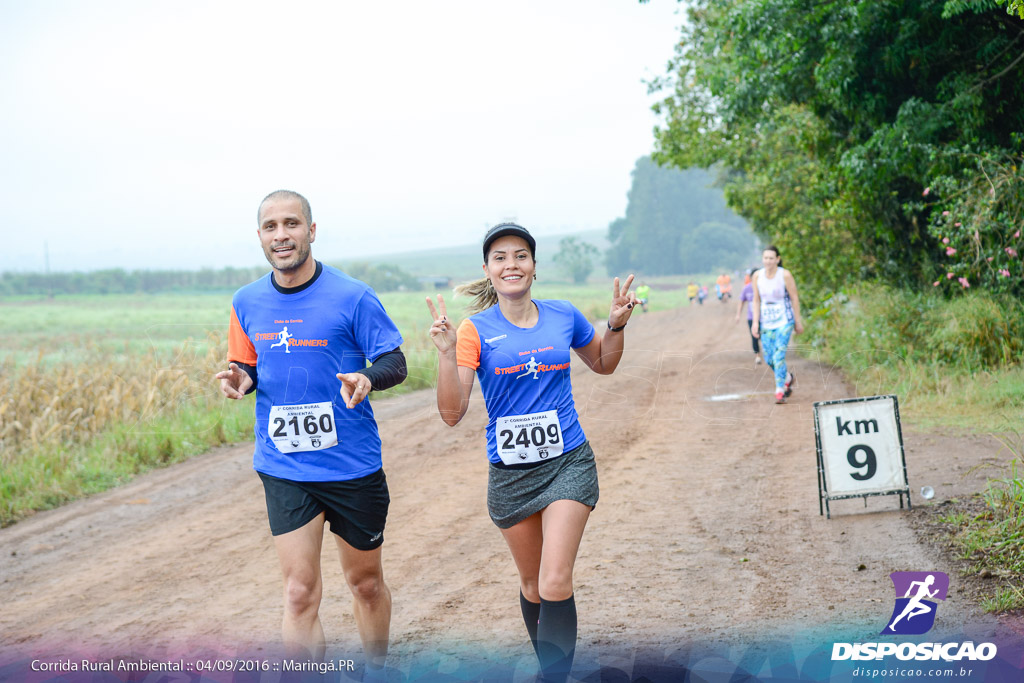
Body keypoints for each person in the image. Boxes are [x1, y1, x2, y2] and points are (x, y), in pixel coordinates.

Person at [424, 222, 637, 683]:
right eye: (500, 257)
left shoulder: (563, 315)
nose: (511, 264)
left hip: (568, 463)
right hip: (510, 474)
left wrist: (615, 325)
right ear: (488, 269)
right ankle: (550, 669)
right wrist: (444, 355)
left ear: (534, 267)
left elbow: (603, 363)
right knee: (532, 585)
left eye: (520, 255)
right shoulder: (473, 330)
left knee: (554, 579)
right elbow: (452, 412)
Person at [215, 190, 407, 672]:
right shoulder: (246, 301)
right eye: (271, 226)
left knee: (364, 583)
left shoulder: (353, 295)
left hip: (351, 464)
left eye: (292, 224)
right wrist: (243, 378)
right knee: (299, 593)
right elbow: (249, 362)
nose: (282, 235)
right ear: (260, 237)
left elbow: (394, 360)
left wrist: (368, 377)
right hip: (284, 465)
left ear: (311, 231)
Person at [751, 246, 804, 404]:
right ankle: (787, 377)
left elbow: (794, 298)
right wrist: (755, 322)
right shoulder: (757, 276)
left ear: (778, 259)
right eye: (765, 258)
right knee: (769, 358)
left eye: (771, 258)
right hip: (766, 322)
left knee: (779, 355)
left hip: (784, 320)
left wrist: (797, 321)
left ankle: (780, 389)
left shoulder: (785, 275)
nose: (768, 261)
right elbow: (756, 299)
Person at [735, 269, 762, 366]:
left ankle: (769, 354)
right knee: (754, 336)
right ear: (751, 278)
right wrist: (738, 315)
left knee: (764, 336)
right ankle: (757, 355)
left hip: (764, 318)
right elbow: (741, 301)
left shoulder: (764, 287)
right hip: (751, 317)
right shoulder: (746, 288)